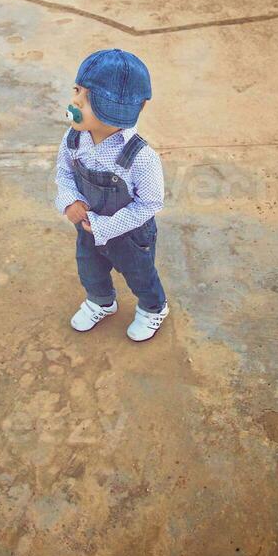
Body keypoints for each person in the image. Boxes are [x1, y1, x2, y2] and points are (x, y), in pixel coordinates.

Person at [54, 48, 169, 342]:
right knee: (89, 268)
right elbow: (64, 174)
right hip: (88, 227)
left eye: (88, 97)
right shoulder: (73, 140)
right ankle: (101, 301)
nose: (75, 101)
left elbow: (150, 202)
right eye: (77, 90)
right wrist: (69, 201)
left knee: (141, 275)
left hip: (131, 234)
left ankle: (153, 308)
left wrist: (108, 226)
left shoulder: (141, 157)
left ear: (119, 108)